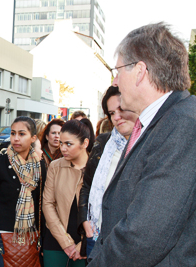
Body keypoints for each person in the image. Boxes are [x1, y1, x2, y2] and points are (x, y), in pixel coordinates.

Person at [88, 23, 196, 266]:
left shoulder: (182, 125)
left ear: (140, 71)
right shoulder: (159, 122)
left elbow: (143, 238)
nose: (114, 82)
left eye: (117, 71)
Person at [78, 86, 137, 258]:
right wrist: (85, 221)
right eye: (111, 113)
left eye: (121, 110)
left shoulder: (148, 143)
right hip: (96, 236)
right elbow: (87, 185)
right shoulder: (103, 143)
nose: (117, 117)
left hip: (128, 242)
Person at [0, 116, 47, 267]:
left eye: (22, 134)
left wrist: (43, 239)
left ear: (33, 138)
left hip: (31, 236)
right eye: (13, 133)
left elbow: (42, 205)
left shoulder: (40, 166)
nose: (16, 138)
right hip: (1, 237)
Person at [42, 119, 93, 267]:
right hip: (55, 240)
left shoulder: (97, 168)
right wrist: (65, 242)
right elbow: (47, 204)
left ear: (85, 143)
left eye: (68, 144)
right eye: (62, 143)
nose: (63, 148)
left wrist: (83, 244)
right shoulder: (55, 166)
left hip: (86, 244)